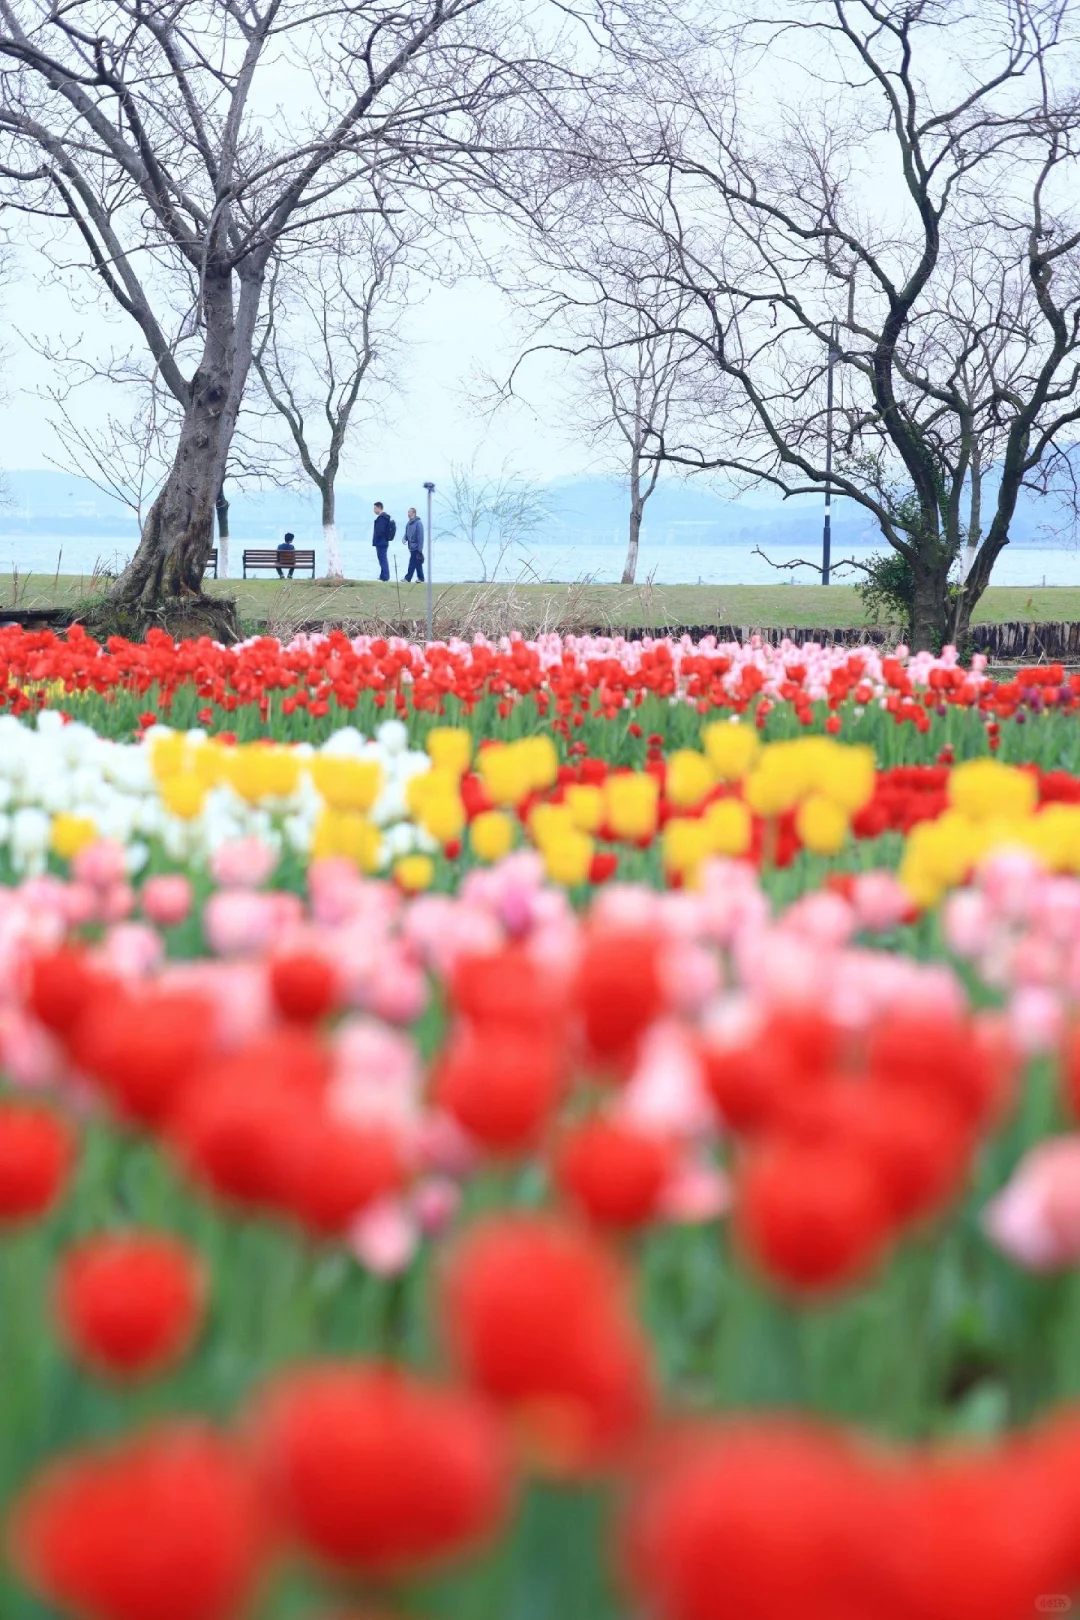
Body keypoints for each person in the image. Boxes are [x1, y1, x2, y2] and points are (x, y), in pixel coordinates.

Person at [372, 502, 395, 582]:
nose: (374, 510)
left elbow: (380, 531)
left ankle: (385, 576)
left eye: (375, 508)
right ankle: (382, 576)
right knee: (382, 559)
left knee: (382, 559)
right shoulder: (384, 518)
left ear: (379, 508)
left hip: (381, 542)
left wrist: (377, 537)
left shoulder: (382, 518)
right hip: (383, 542)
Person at [403, 506, 425, 583]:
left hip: (416, 547)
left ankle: (407, 578)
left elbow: (420, 537)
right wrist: (404, 539)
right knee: (417, 564)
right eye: (408, 512)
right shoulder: (408, 523)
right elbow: (406, 534)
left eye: (409, 512)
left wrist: (420, 549)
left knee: (412, 563)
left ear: (414, 513)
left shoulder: (418, 524)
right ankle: (421, 578)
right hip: (411, 547)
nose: (408, 513)